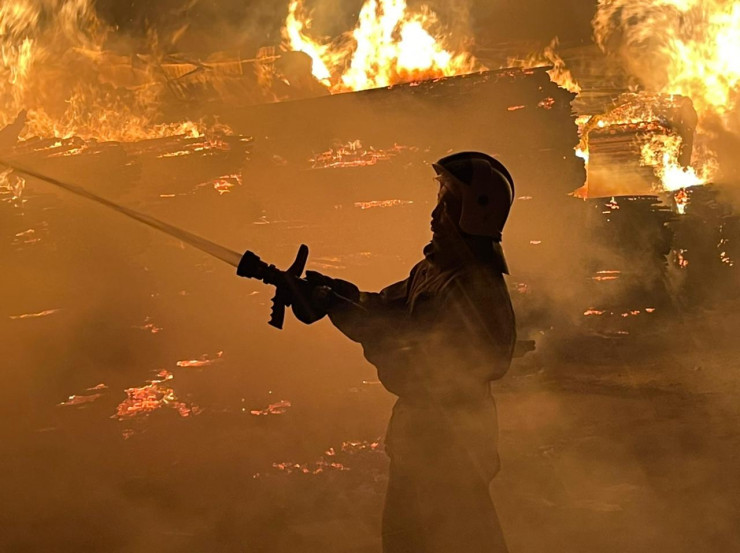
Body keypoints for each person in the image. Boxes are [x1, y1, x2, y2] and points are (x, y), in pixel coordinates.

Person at [301, 152, 517, 552]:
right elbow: (389, 309)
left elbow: (431, 367)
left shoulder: (475, 287)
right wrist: (337, 296)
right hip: (419, 443)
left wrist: (352, 319)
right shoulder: (433, 271)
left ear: (475, 214)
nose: (434, 217)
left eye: (446, 207)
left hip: (452, 451)